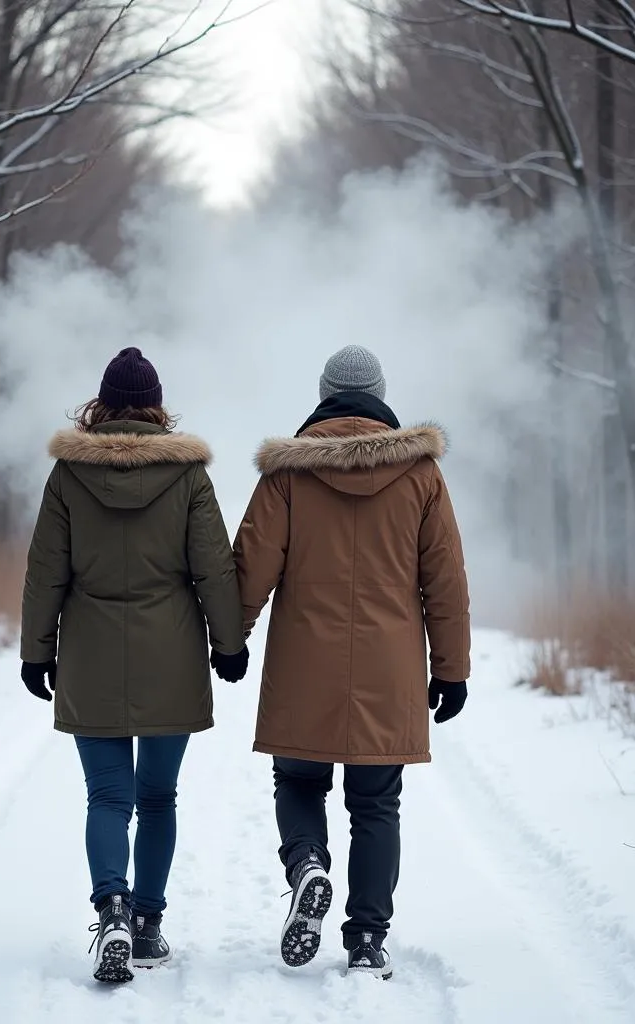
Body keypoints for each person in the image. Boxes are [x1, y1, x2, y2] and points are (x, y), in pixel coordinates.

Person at [232, 344, 470, 980]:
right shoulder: (422, 473)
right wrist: (451, 668)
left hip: (304, 663)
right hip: (388, 669)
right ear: (381, 395)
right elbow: (444, 580)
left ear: (323, 394)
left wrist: (228, 638)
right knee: (376, 804)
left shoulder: (287, 473)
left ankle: (308, 863)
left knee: (300, 782)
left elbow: (250, 566)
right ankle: (366, 939)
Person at [20, 347, 248, 984]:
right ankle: (147, 924)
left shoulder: (68, 474)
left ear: (101, 403)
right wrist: (228, 644)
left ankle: (110, 906)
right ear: (155, 405)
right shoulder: (188, 475)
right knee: (157, 797)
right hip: (170, 655)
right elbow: (213, 567)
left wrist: (37, 651)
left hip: (90, 653)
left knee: (108, 797)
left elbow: (45, 572)